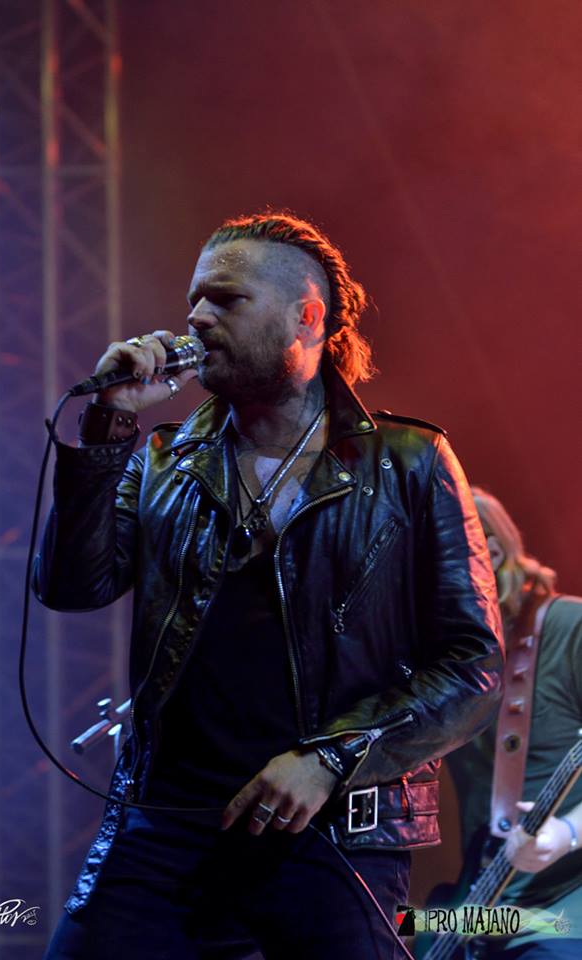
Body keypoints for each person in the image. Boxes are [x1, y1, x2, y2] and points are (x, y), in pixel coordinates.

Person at [34, 212, 503, 959]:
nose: (196, 316)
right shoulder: (163, 460)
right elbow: (70, 586)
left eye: (225, 299)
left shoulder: (409, 462)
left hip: (330, 829)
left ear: (307, 318)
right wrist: (108, 426)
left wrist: (330, 759)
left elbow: (474, 667)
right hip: (166, 823)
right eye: (194, 298)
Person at [445, 487, 582, 958]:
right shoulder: (448, 662)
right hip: (492, 902)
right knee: (402, 927)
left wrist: (567, 833)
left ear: (493, 552)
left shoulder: (571, 628)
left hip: (567, 904)